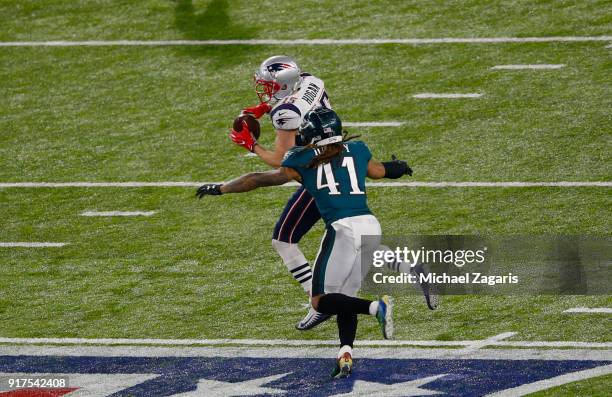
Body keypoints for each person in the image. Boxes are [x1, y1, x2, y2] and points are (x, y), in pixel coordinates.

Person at [197, 108, 414, 378]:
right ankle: (345, 352)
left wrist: (220, 188)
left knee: (320, 302)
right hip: (371, 227)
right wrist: (401, 167)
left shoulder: (299, 159)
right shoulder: (357, 149)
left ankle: (376, 307)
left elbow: (256, 179)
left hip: (342, 230)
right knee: (345, 297)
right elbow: (381, 171)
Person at [229, 55, 336, 330]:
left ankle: (320, 302)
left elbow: (281, 159)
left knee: (285, 240)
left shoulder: (286, 113)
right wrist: (264, 107)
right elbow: (295, 100)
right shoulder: (312, 80)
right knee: (347, 237)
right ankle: (321, 299)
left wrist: (250, 145)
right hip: (335, 160)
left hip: (318, 175)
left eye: (269, 86)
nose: (264, 88)